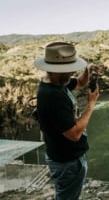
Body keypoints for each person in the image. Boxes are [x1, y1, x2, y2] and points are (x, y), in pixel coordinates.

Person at [34, 42, 101, 200]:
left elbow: (80, 83)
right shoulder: (53, 96)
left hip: (66, 158)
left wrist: (88, 70)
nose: (72, 72)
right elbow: (74, 134)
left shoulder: (57, 84)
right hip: (66, 162)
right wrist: (91, 104)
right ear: (59, 71)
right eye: (69, 70)